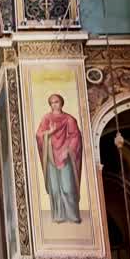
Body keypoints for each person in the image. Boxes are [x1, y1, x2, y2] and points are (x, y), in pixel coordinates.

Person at [35, 93, 83, 224]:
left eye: (56, 102)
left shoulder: (69, 119)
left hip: (65, 156)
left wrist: (68, 150)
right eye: (52, 102)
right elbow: (39, 135)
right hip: (50, 155)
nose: (54, 105)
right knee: (54, 188)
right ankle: (59, 215)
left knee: (67, 187)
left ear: (61, 103)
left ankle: (72, 215)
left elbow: (75, 137)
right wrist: (48, 133)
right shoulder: (46, 118)